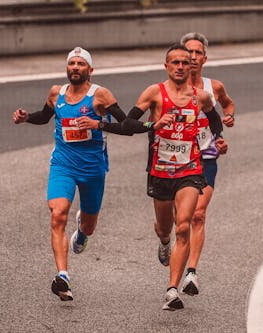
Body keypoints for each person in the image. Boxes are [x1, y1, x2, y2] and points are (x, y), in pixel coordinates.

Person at [12, 47, 129, 302]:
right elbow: (45, 116)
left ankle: (82, 233)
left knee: (89, 225)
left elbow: (127, 126)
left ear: (90, 70)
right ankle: (63, 276)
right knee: (57, 214)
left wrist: (98, 124)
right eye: (72, 63)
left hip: (93, 168)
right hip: (63, 164)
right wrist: (26, 118)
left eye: (80, 64)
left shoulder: (100, 95)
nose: (75, 67)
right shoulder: (57, 93)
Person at [119, 44, 226, 311]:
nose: (180, 66)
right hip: (160, 171)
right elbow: (127, 124)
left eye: (184, 62)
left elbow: (215, 122)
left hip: (190, 169)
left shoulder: (201, 97)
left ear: (191, 66)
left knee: (184, 224)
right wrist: (152, 125)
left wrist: (219, 139)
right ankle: (164, 242)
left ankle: (172, 289)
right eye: (174, 62)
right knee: (165, 228)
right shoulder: (154, 93)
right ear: (166, 66)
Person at [178, 32, 235, 296]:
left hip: (206, 157)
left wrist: (229, 116)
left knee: (198, 214)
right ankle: (167, 241)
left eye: (197, 52)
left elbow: (228, 104)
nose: (192, 56)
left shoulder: (215, 87)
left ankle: (191, 273)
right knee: (178, 220)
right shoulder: (169, 89)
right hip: (177, 158)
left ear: (204, 58)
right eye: (188, 52)